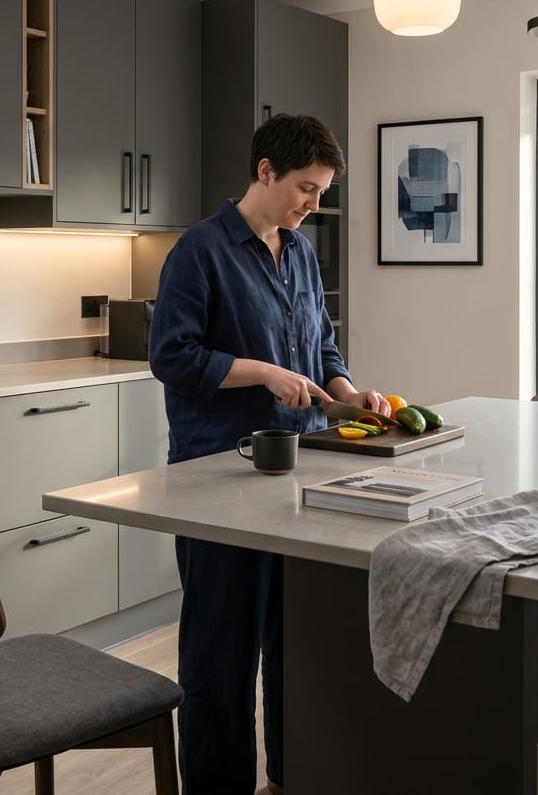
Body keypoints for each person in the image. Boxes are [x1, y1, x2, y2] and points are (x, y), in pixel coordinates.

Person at [148, 113, 392, 795]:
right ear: (265, 172)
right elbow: (171, 357)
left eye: (320, 192)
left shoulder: (302, 253)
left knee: (294, 646)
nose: (314, 205)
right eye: (306, 189)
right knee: (219, 659)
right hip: (219, 477)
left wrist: (348, 391)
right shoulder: (199, 252)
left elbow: (322, 350)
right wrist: (260, 371)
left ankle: (293, 776)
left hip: (299, 474)